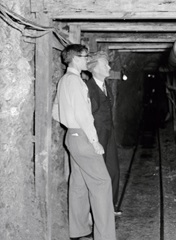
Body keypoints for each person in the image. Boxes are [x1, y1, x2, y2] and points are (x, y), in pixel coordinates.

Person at [52, 44, 116, 240]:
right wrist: (95, 141)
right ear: (76, 59)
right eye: (84, 56)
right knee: (102, 183)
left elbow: (56, 111)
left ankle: (78, 230)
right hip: (84, 137)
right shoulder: (77, 82)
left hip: (71, 137)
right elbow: (83, 115)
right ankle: (105, 236)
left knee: (79, 183)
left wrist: (70, 125)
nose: (87, 59)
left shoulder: (64, 81)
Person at [85, 52, 121, 215]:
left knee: (113, 170)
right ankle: (97, 211)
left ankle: (111, 206)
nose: (109, 67)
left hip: (109, 134)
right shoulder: (88, 88)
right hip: (96, 136)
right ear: (94, 68)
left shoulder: (106, 87)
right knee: (99, 175)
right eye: (105, 64)